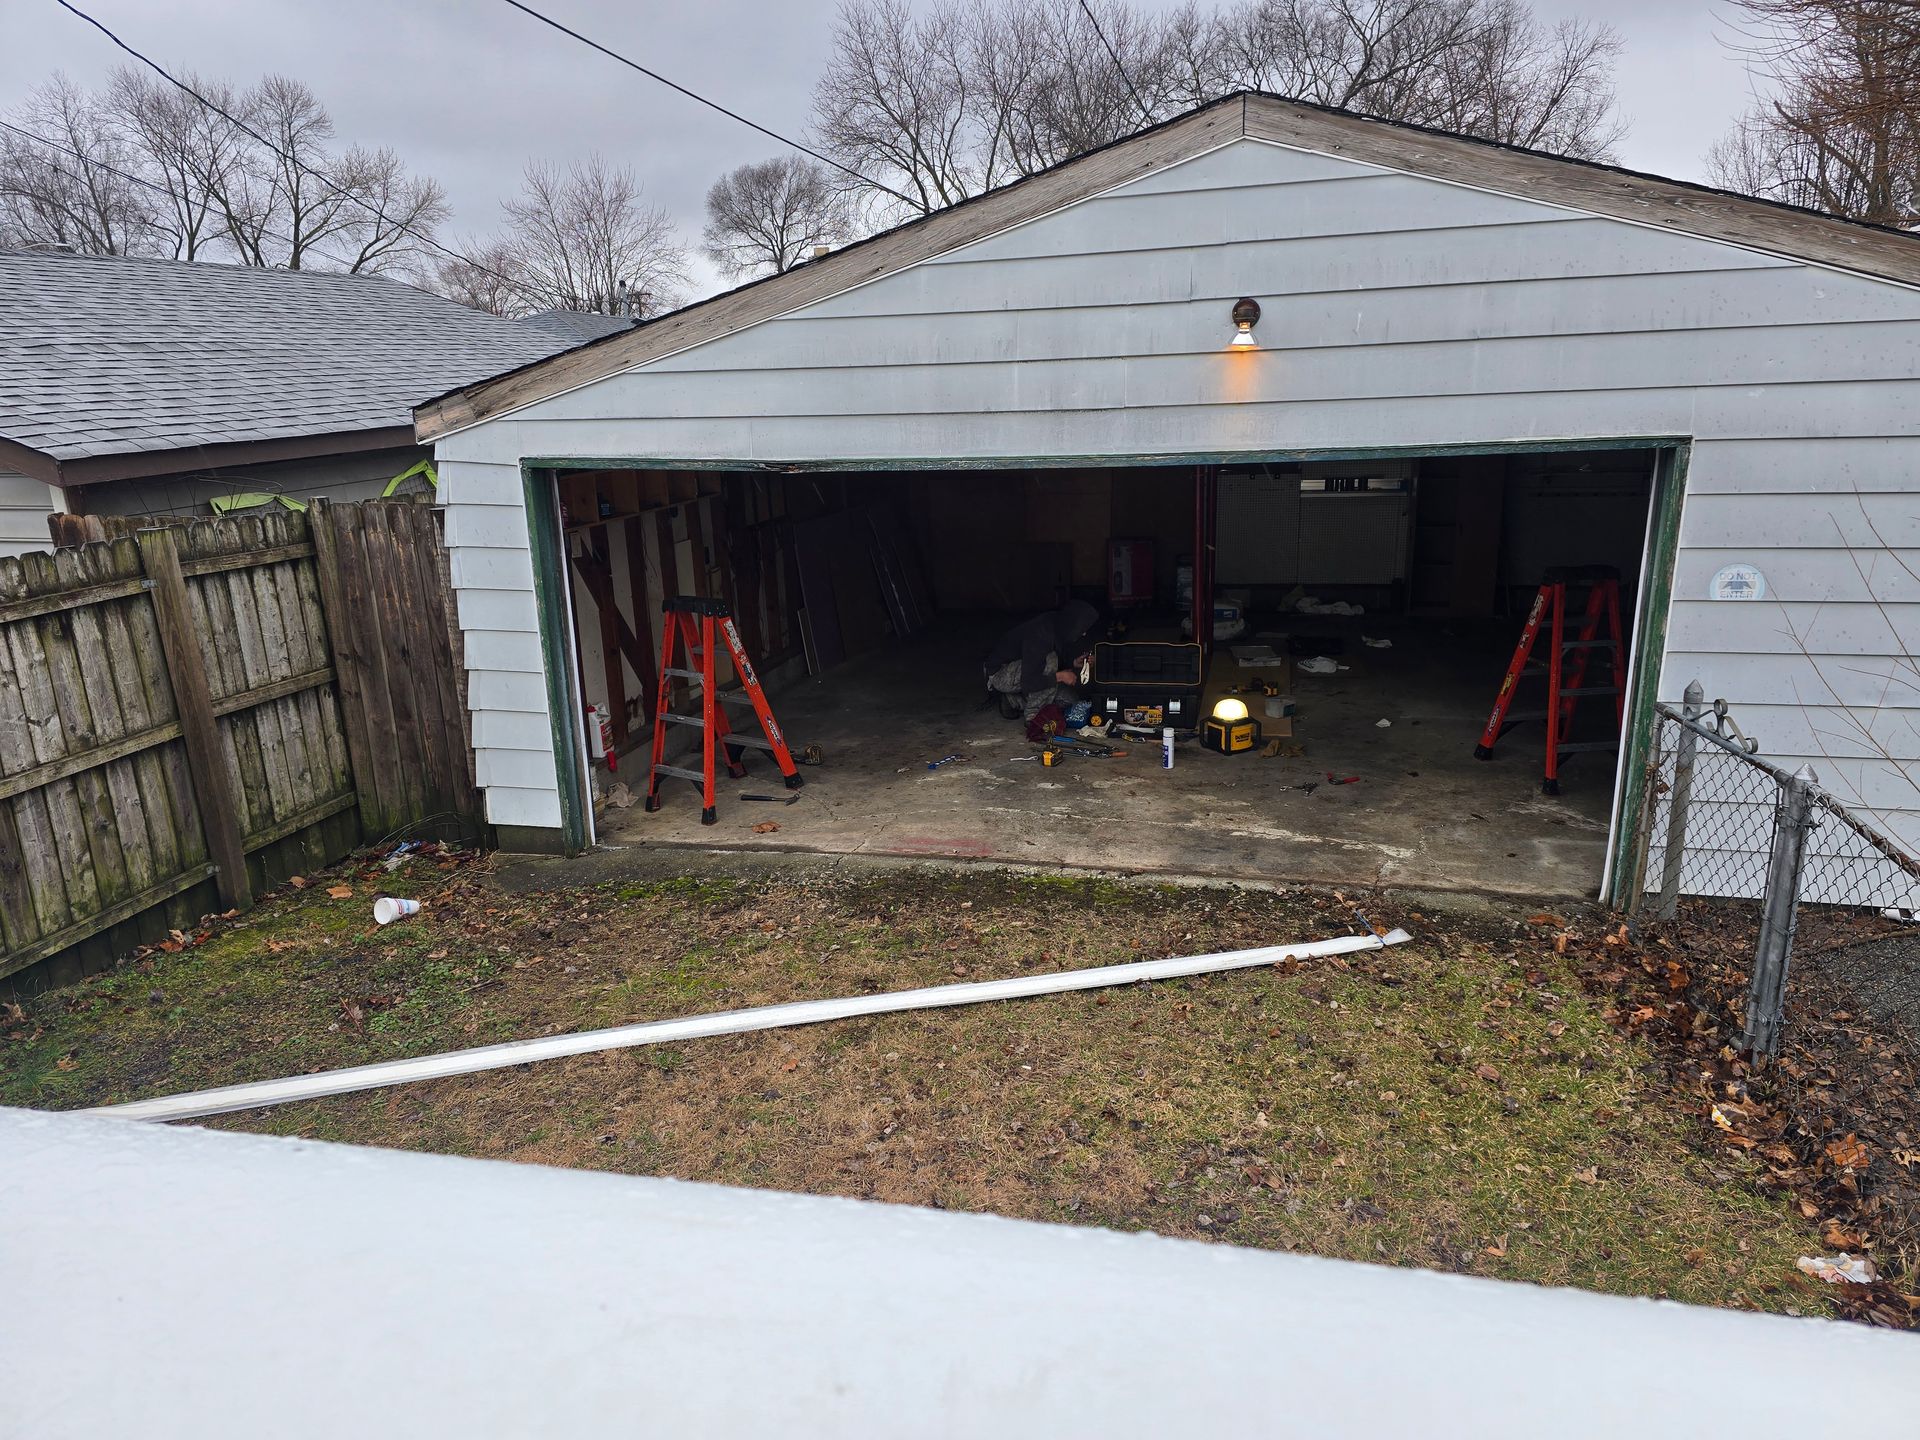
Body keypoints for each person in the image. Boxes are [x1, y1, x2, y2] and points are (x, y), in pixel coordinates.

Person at [982, 599, 1099, 722]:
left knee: (1071, 701)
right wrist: (1060, 676)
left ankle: (1013, 700)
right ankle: (1034, 716)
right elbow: (1029, 681)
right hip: (1001, 675)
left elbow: (1048, 663)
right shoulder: (1039, 633)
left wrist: (1073, 663)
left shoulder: (1058, 626)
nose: (1084, 634)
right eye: (1082, 629)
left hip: (1029, 672)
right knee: (1050, 660)